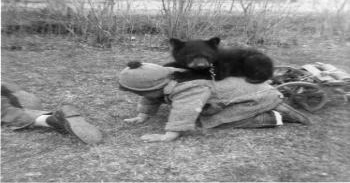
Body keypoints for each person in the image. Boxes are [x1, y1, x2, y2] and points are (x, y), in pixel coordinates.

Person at [118, 61, 310, 142]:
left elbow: (185, 111)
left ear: (153, 87)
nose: (141, 95)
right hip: (246, 91)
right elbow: (151, 96)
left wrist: (169, 135)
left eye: (140, 92)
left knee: (211, 122)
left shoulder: (188, 87)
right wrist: (143, 115)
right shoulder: (164, 77)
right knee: (207, 115)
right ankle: (273, 110)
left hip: (257, 97)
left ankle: (275, 116)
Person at [1, 82, 102, 144]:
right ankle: (45, 115)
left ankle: (51, 120)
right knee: (24, 105)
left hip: (11, 96)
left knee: (8, 112)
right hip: (11, 92)